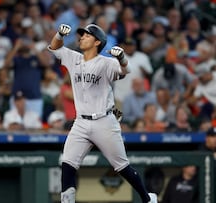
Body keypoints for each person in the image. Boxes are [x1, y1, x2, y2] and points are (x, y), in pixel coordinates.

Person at [48, 23, 157, 203]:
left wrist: (122, 58)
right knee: (67, 164)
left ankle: (147, 198)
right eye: (81, 34)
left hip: (104, 121)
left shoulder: (106, 62)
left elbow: (125, 71)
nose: (82, 37)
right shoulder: (73, 57)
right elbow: (55, 47)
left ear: (97, 41)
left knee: (122, 167)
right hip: (81, 122)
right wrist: (59, 34)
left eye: (87, 35)